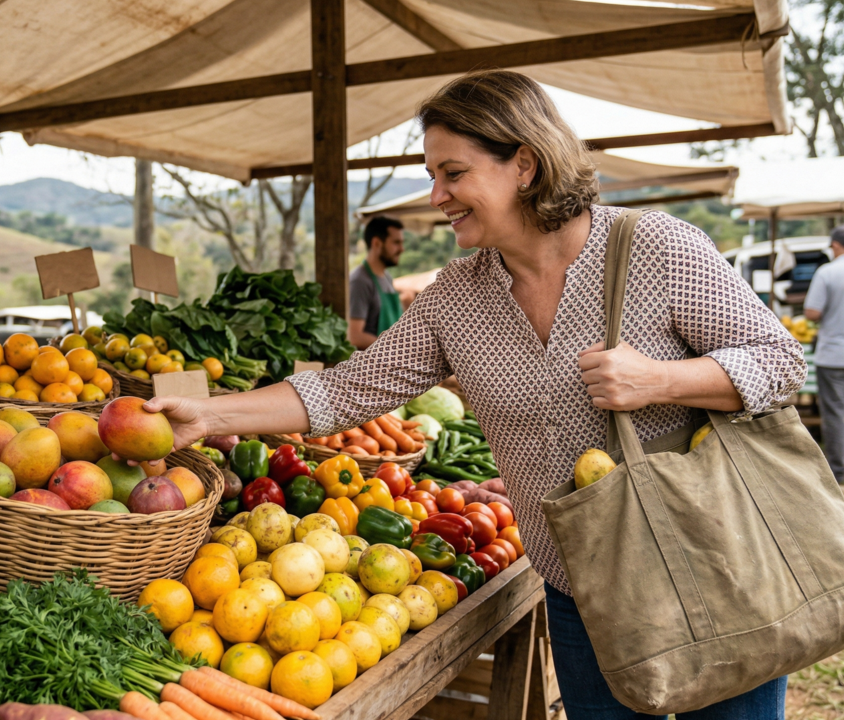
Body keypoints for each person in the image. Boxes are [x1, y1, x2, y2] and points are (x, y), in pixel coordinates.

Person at [145, 70, 803, 719]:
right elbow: (347, 389)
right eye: (433, 176)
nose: (436, 195)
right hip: (584, 588)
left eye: (453, 174)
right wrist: (207, 413)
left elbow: (780, 363)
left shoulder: (657, 249)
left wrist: (661, 379)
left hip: (710, 565)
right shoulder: (455, 299)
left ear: (524, 164)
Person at [804, 226, 844, 483]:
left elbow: (812, 312)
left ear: (836, 246)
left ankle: (839, 471)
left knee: (836, 412)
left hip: (834, 355)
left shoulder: (828, 272)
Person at [348, 216, 405, 349]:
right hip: (370, 367)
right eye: (396, 243)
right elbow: (354, 336)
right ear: (376, 243)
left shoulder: (387, 277)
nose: (402, 249)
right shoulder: (360, 281)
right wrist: (396, 346)